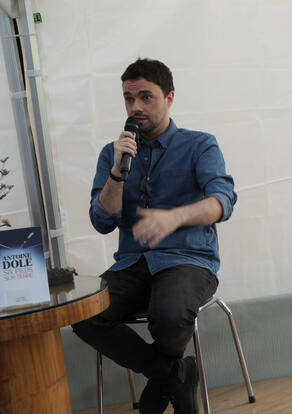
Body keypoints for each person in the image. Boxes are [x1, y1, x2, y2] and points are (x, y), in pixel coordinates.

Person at [72, 58, 237, 414]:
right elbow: (101, 221)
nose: (136, 107)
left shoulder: (200, 145)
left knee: (169, 314)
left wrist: (176, 216)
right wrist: (117, 174)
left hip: (189, 260)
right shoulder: (113, 154)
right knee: (84, 314)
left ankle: (160, 388)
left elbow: (223, 202)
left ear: (169, 98)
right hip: (132, 263)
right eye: (129, 98)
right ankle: (176, 375)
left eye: (146, 97)